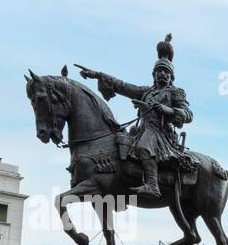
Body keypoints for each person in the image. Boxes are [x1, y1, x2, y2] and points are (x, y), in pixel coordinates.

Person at [78, 33, 193, 200]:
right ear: (154, 74)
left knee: (143, 146)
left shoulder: (175, 93)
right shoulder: (145, 92)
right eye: (159, 71)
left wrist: (164, 109)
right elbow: (122, 86)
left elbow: (187, 114)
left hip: (160, 133)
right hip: (141, 130)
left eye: (166, 72)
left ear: (171, 77)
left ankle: (153, 185)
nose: (162, 74)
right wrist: (97, 75)